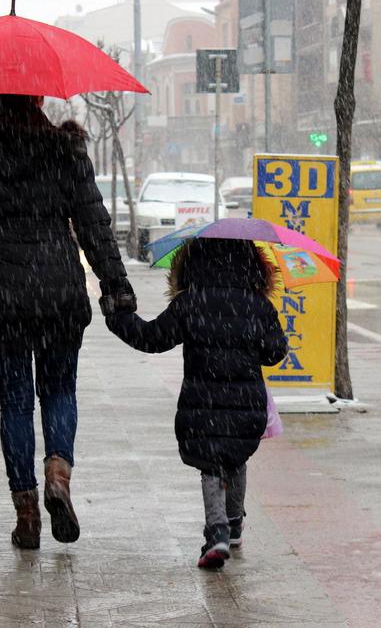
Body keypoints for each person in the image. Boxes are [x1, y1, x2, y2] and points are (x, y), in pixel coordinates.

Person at [0, 94, 134, 549]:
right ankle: (57, 475)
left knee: (15, 404)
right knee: (59, 390)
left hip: (1, 296)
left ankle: (26, 515)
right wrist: (115, 285)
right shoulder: (64, 149)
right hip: (57, 293)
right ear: (40, 98)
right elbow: (93, 223)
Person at [105, 238, 288, 569]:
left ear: (191, 264)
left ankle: (216, 531)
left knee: (212, 465)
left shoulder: (191, 302)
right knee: (235, 458)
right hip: (247, 402)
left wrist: (119, 318)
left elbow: (151, 338)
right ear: (252, 265)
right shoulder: (258, 305)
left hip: (201, 402)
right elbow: (275, 353)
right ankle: (233, 524)